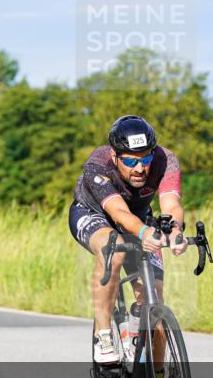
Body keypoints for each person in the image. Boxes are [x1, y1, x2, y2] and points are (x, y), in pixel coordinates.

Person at [68, 115, 187, 364]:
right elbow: (118, 213)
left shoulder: (166, 160)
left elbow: (171, 204)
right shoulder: (97, 165)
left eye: (146, 158)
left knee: (154, 297)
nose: (140, 168)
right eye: (131, 161)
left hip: (138, 217)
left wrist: (175, 231)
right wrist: (144, 233)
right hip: (95, 214)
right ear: (115, 156)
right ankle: (104, 336)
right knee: (114, 249)